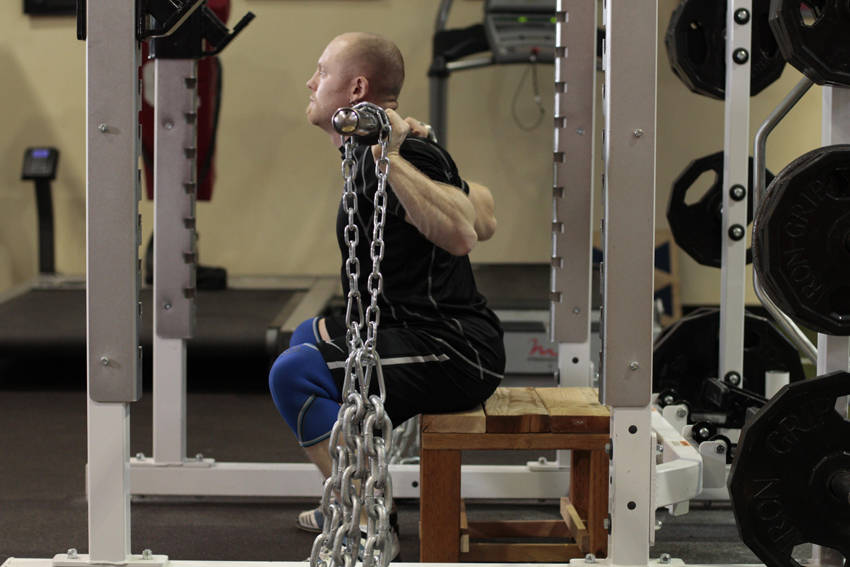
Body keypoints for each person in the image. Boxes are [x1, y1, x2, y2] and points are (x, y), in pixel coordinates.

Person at [268, 32, 505, 557]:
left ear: (355, 87)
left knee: (293, 373)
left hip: (458, 351)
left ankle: (369, 518)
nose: (311, 82)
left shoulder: (404, 151)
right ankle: (354, 494)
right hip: (410, 334)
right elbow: (482, 209)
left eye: (321, 71)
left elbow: (469, 230)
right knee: (308, 336)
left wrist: (394, 156)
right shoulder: (383, 144)